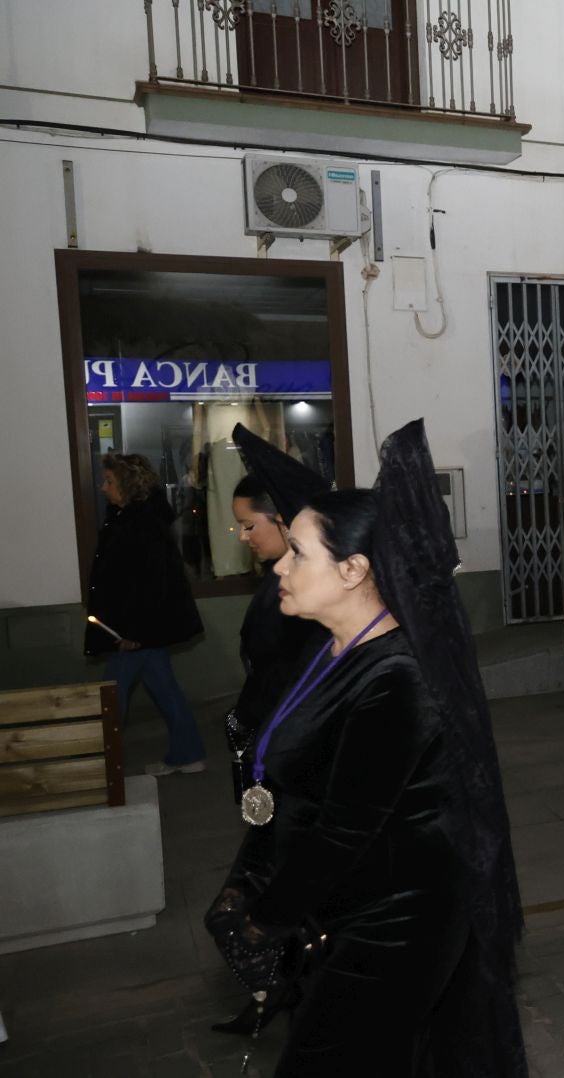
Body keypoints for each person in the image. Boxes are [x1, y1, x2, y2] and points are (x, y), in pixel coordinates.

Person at [204, 421, 525, 1075]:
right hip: (348, 911)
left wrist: (264, 917)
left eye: (297, 553)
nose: (280, 566)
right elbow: (303, 792)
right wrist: (251, 880)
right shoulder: (332, 649)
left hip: (400, 924)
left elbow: (345, 829)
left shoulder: (397, 677)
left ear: (353, 570)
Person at [224, 431, 331, 807]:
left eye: (249, 525)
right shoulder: (278, 580)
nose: (242, 537)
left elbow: (291, 673)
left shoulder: (306, 592)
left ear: (283, 520)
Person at [84, 452, 207, 777]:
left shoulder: (141, 523)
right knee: (164, 689)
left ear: (126, 485)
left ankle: (100, 766)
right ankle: (188, 753)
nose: (102, 487)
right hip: (137, 628)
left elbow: (151, 584)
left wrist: (134, 633)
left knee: (112, 696)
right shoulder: (129, 518)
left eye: (109, 481)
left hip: (135, 630)